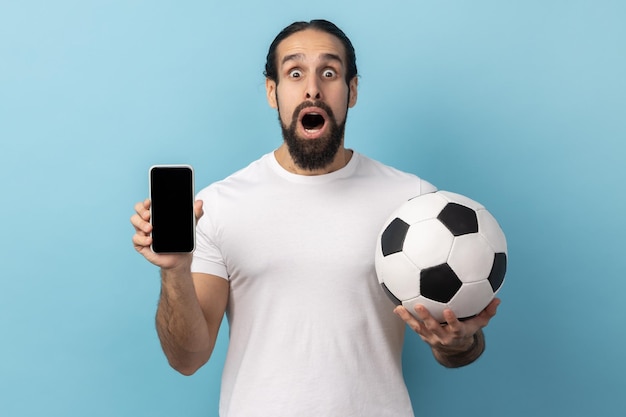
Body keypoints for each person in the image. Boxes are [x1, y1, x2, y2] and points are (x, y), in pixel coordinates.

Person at [131, 19, 500, 417]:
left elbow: (459, 349)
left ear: (351, 90)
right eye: (294, 73)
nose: (312, 88)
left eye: (329, 72)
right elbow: (187, 358)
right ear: (273, 92)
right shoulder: (219, 205)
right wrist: (175, 271)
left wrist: (458, 342)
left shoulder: (414, 202)